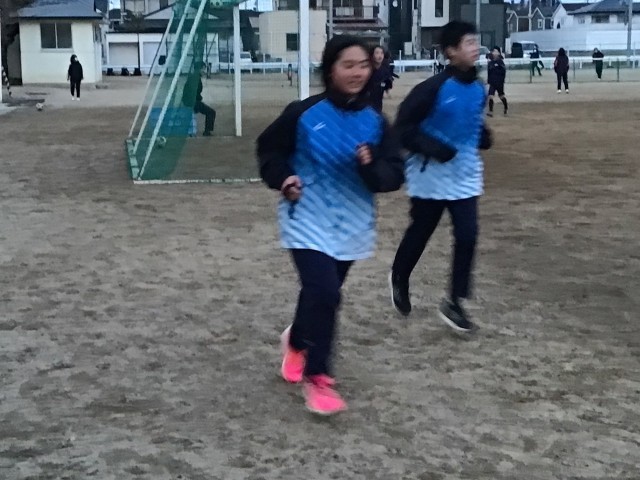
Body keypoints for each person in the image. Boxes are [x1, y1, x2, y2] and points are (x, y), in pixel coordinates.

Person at [256, 35, 404, 415]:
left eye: (363, 65)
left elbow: (394, 175)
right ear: (330, 69)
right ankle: (318, 377)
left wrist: (371, 167)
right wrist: (284, 178)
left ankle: (296, 341)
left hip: (352, 222)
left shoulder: (376, 122)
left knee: (321, 292)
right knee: (325, 292)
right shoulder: (303, 113)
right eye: (347, 65)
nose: (357, 73)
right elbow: (269, 150)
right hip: (305, 216)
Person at [389, 20, 492, 333]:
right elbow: (402, 129)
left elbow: (469, 121)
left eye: (475, 42)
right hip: (429, 176)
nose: (475, 48)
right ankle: (399, 276)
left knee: (468, 236)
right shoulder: (431, 89)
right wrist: (433, 148)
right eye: (468, 43)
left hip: (465, 175)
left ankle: (454, 302)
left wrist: (483, 135)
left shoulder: (479, 88)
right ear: (451, 51)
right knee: (421, 231)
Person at [182, 63, 216, 136]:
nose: (204, 71)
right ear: (199, 69)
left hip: (190, 101)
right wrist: (198, 99)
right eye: (203, 69)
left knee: (209, 111)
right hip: (192, 102)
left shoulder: (194, 77)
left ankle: (207, 131)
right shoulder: (195, 78)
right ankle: (207, 131)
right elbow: (192, 92)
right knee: (211, 112)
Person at [365, 45, 395, 112]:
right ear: (372, 55)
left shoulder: (385, 70)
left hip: (378, 104)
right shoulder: (366, 70)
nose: (380, 56)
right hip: (365, 104)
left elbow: (387, 84)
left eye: (382, 53)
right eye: (377, 53)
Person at [486, 46, 508, 117]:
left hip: (499, 82)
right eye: (493, 51)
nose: (494, 53)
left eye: (496, 51)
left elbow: (503, 72)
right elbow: (489, 72)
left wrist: (502, 80)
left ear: (499, 53)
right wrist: (489, 80)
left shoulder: (500, 62)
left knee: (501, 96)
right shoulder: (490, 63)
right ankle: (490, 111)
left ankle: (506, 108)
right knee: (490, 96)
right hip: (492, 82)